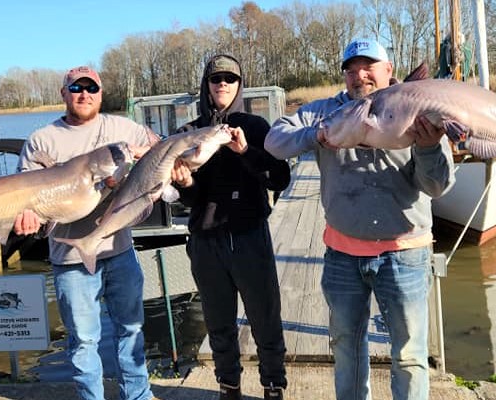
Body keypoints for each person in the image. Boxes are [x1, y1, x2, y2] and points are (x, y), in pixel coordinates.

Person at [264, 39, 456, 400]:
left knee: (410, 357)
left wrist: (428, 147)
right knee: (347, 348)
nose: (359, 76)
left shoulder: (419, 107)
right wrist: (317, 134)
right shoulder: (327, 111)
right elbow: (275, 142)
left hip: (404, 254)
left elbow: (438, 187)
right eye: (351, 70)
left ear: (389, 69)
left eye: (368, 67)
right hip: (342, 256)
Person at [14, 66, 161, 400]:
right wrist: (28, 220)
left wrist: (141, 157)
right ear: (63, 93)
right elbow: (26, 199)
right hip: (69, 258)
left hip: (120, 249)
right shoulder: (41, 140)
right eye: (76, 88)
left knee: (131, 329)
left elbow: (159, 151)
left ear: (101, 92)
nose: (84, 94)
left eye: (91, 87)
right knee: (83, 341)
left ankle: (138, 395)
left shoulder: (120, 128)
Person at [171, 54, 291, 400]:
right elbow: (189, 201)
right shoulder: (187, 134)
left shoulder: (256, 127)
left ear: (240, 85)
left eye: (230, 78)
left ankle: (273, 385)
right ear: (205, 86)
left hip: (249, 236)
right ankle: (228, 386)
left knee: (265, 317)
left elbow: (280, 178)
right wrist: (184, 183)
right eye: (215, 78)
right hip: (206, 241)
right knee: (218, 322)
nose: (222, 83)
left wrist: (246, 152)